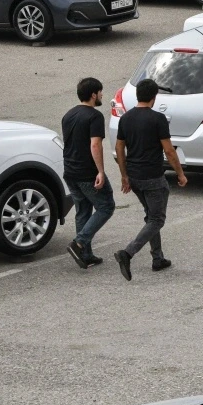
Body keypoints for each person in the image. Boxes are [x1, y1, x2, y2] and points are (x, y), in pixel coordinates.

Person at [113, 78, 187, 281]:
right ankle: (127, 253)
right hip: (153, 177)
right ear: (154, 98)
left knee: (150, 217)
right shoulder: (158, 119)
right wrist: (180, 173)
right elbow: (169, 151)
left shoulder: (126, 118)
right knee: (157, 219)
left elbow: (119, 148)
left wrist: (124, 175)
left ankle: (158, 258)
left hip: (135, 177)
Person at [63, 77, 114, 269]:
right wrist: (100, 171)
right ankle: (79, 243)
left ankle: (85, 255)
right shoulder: (94, 116)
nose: (102, 95)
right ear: (93, 94)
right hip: (86, 173)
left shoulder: (69, 115)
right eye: (100, 92)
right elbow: (95, 144)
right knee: (106, 206)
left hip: (70, 171)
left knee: (83, 210)